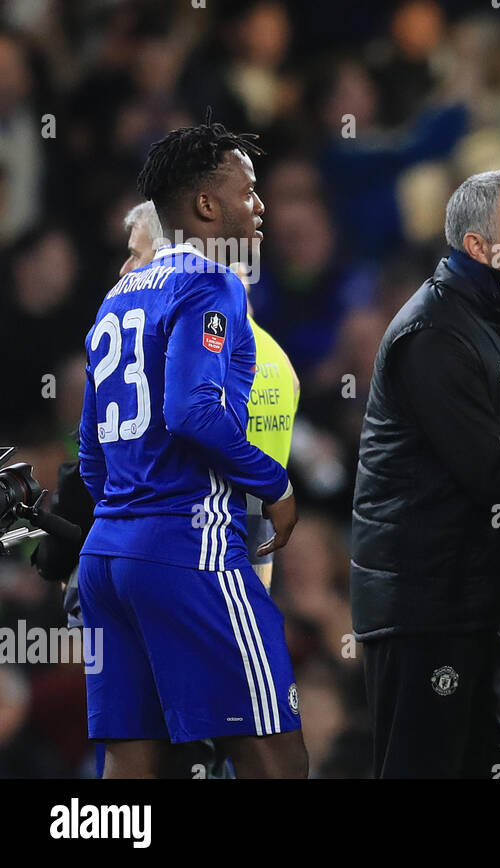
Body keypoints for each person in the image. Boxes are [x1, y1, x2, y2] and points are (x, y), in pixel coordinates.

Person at [77, 120, 306, 778]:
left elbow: (92, 457)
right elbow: (192, 412)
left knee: (130, 767)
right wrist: (277, 485)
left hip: (107, 558)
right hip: (188, 548)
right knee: (277, 754)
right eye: (250, 191)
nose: (260, 206)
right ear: (207, 205)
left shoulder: (116, 296)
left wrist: (131, 520)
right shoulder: (212, 284)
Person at [350, 170, 500, 778]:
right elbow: (493, 475)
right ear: (478, 247)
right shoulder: (434, 334)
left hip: (471, 601)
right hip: (421, 607)